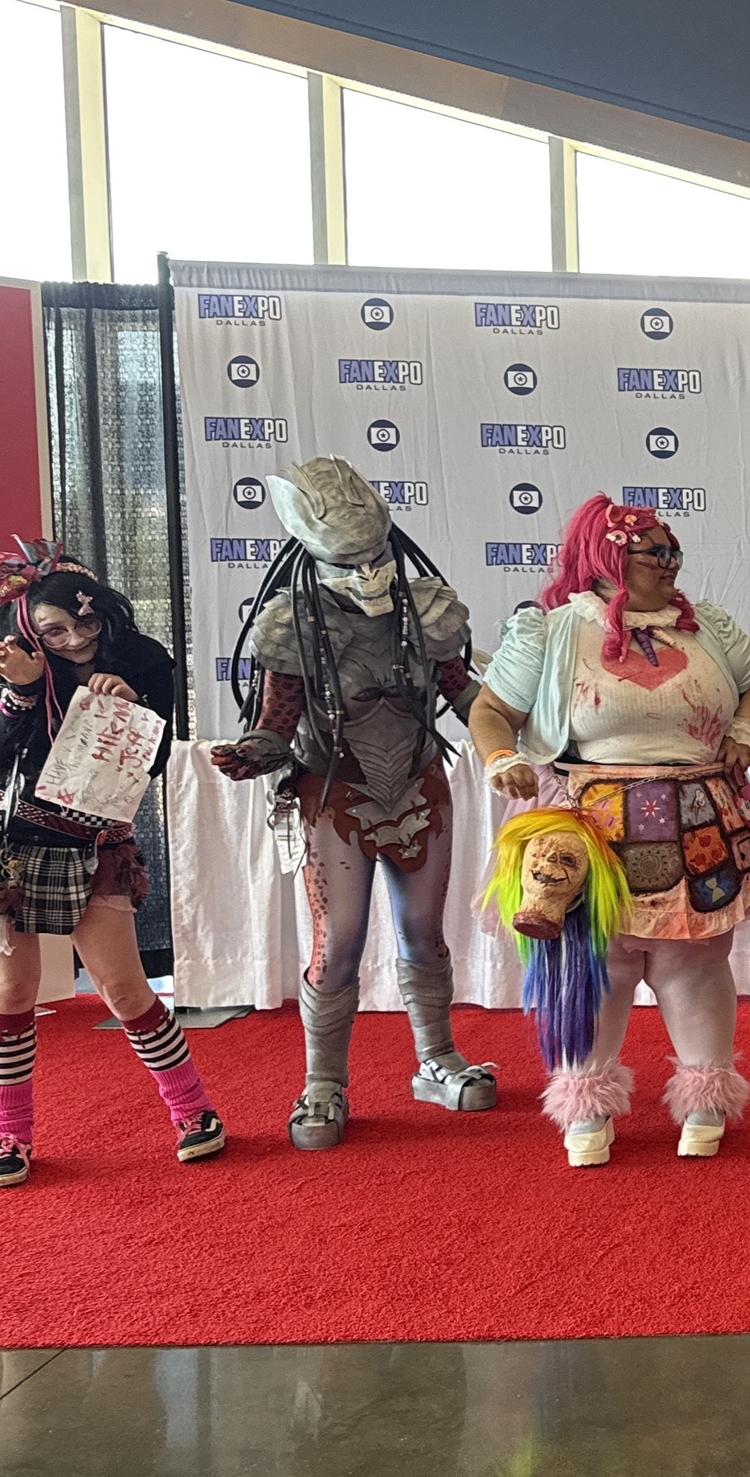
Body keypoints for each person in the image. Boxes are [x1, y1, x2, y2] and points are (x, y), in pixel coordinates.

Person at [469, 495, 750, 1167]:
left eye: (674, 552)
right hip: (588, 823)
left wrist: (744, 729)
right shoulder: (551, 631)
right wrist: (502, 758)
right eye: (655, 553)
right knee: (597, 965)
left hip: (698, 819)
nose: (671, 564)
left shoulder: (708, 627)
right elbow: (491, 709)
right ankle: (584, 1105)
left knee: (696, 961)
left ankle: (705, 1100)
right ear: (611, 557)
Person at [211, 457, 493, 1149]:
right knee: (337, 944)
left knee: (424, 932)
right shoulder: (290, 622)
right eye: (349, 560)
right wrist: (256, 753)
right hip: (333, 789)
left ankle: (436, 1060)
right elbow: (278, 723)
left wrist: (526, 725)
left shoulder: (427, 608)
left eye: (374, 556)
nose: (367, 573)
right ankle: (323, 1081)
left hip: (420, 781)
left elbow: (465, 696)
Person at [0, 543, 223, 1187]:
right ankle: (9, 1136)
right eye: (57, 631)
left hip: (92, 839)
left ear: (104, 612)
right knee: (9, 993)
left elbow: (157, 757)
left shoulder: (141, 657)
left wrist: (126, 707)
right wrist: (22, 692)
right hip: (5, 839)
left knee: (123, 988)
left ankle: (195, 1113)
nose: (77, 638)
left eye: (87, 623)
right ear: (31, 627)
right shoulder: (10, 655)